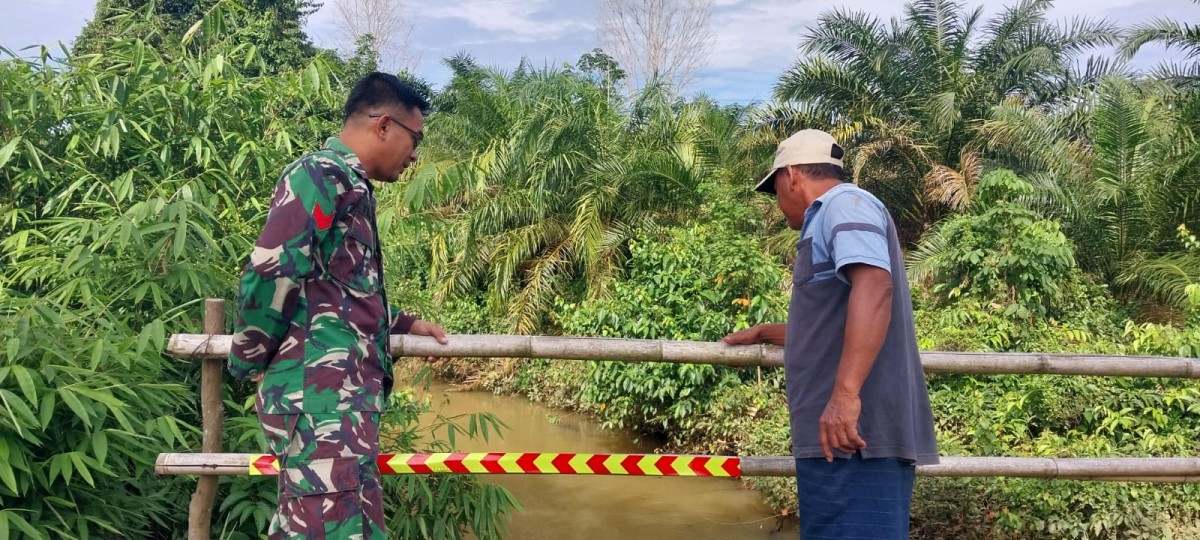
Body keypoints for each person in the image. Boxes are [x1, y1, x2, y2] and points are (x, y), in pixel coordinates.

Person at [228, 72, 449, 539]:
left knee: (339, 525)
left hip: (339, 403)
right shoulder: (320, 175)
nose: (415, 155)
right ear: (384, 125)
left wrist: (405, 323)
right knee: (327, 527)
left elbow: (337, 293)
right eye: (415, 139)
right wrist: (247, 359)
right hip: (320, 402)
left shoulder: (350, 185)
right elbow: (272, 272)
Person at [721, 129, 938, 539]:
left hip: (855, 438)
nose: (777, 202)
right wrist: (771, 332)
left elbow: (874, 287)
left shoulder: (844, 204)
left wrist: (845, 396)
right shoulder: (830, 216)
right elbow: (842, 318)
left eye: (774, 190)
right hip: (838, 440)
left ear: (791, 175)